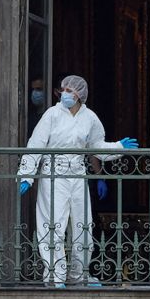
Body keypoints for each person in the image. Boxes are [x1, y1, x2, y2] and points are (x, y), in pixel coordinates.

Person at [18, 75, 138, 287]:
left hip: (77, 174)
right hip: (54, 174)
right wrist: (27, 174)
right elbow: (35, 144)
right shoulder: (52, 114)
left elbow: (96, 146)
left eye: (69, 90)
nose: (64, 93)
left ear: (80, 94)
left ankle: (79, 273)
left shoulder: (89, 117)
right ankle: (54, 274)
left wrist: (118, 147)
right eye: (63, 89)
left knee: (83, 225)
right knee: (53, 224)